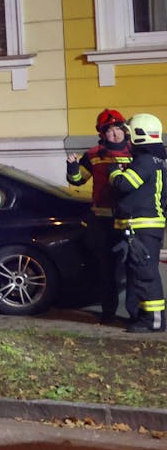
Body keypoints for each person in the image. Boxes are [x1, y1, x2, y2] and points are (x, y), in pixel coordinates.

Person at [67, 108, 132, 323]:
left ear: (125, 129)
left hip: (131, 219)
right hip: (103, 221)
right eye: (109, 130)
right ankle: (108, 313)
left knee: (133, 268)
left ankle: (136, 314)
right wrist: (73, 167)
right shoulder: (93, 155)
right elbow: (78, 180)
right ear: (102, 134)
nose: (114, 134)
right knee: (107, 270)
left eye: (117, 129)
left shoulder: (137, 151)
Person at [109, 114, 165, 334]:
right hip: (148, 224)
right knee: (141, 272)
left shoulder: (143, 161)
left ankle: (154, 321)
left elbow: (125, 184)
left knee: (145, 273)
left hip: (143, 226)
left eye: (130, 135)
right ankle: (147, 316)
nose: (128, 141)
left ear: (140, 136)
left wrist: (113, 171)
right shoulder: (157, 160)